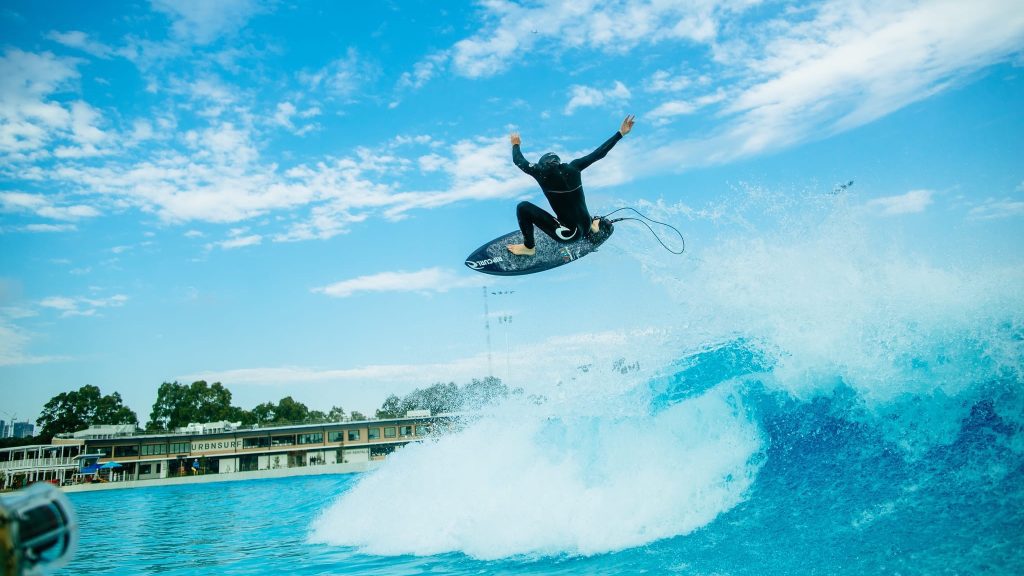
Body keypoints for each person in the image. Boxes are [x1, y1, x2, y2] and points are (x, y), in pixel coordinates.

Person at [507, 114, 635, 256]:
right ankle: (593, 227)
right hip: (586, 225)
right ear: (558, 161)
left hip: (569, 234)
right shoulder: (573, 167)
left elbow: (518, 160)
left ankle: (529, 248)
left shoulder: (541, 172)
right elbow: (599, 153)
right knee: (576, 208)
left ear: (542, 164)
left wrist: (515, 144)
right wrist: (620, 133)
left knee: (523, 207)